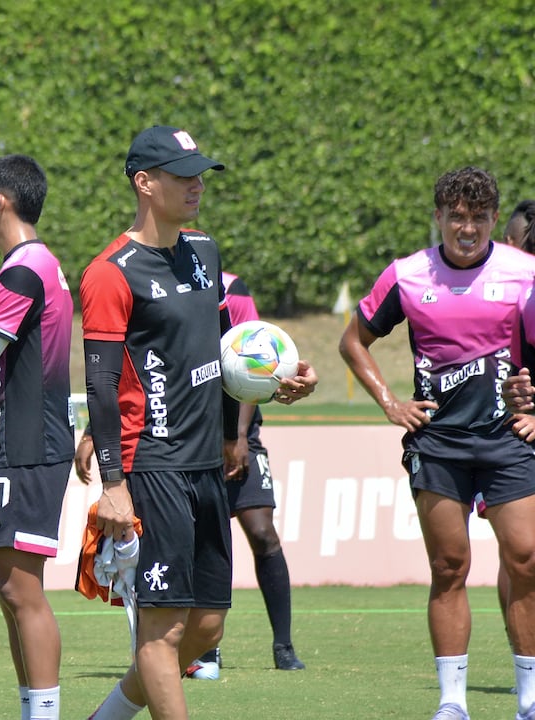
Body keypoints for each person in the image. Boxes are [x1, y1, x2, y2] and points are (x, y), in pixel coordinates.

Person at [81, 126, 317, 720]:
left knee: (206, 626)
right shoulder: (110, 271)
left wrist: (275, 383)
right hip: (150, 464)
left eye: (199, 174)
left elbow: (215, 350)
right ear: (144, 182)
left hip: (208, 463)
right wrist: (114, 483)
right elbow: (101, 384)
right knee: (161, 633)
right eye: (183, 175)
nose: (196, 185)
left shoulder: (203, 251)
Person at [339, 166, 535, 720]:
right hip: (439, 443)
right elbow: (354, 341)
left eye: (477, 217)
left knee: (527, 560)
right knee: (449, 566)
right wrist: (389, 402)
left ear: (495, 220)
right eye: (455, 216)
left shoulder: (526, 273)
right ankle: (452, 703)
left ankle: (529, 699)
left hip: (507, 439)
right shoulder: (406, 276)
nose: (466, 228)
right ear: (439, 218)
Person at [0, 154, 73, 720]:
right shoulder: (31, 265)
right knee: (9, 590)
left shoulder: (24, 269)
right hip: (10, 445)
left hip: (31, 446)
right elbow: (4, 376)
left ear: (0, 200)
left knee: (22, 591)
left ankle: (43, 713)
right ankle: (33, 709)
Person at [177, 271, 305, 679]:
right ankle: (205, 649)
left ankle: (283, 645)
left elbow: (252, 362)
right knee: (202, 541)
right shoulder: (166, 286)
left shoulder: (233, 290)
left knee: (262, 531)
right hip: (191, 437)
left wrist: (238, 437)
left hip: (238, 435)